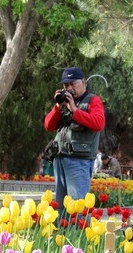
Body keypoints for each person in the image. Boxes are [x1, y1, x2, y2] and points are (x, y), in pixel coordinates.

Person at [44, 67, 106, 206]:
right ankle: (63, 228)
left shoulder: (93, 100)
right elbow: (48, 125)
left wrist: (75, 110)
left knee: (77, 205)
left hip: (79, 160)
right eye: (66, 85)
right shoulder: (64, 103)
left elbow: (99, 123)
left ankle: (82, 228)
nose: (69, 88)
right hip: (60, 157)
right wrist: (58, 107)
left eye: (73, 84)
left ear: (83, 82)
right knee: (60, 205)